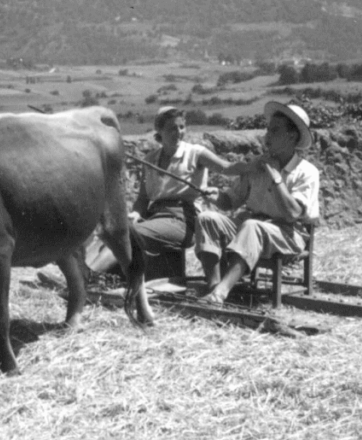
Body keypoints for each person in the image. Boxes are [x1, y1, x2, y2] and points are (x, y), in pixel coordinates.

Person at [86, 106, 236, 277]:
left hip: (183, 219)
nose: (179, 132)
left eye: (182, 127)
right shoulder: (150, 159)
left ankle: (89, 277)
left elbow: (227, 168)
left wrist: (253, 166)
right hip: (154, 217)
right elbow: (143, 199)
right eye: (172, 128)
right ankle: (87, 274)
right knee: (110, 232)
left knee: (127, 235)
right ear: (159, 130)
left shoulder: (195, 153)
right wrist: (136, 213)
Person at [196, 101, 320, 305]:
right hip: (251, 228)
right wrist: (216, 196)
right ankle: (213, 287)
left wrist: (276, 177)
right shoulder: (257, 166)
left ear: (292, 136)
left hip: (288, 235)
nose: (267, 135)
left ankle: (221, 293)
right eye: (268, 129)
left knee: (251, 226)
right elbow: (230, 201)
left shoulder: (306, 172)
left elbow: (292, 214)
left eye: (275, 130)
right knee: (206, 219)